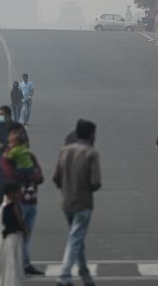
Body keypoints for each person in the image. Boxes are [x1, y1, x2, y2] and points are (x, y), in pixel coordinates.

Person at [53, 120, 101, 286]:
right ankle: (64, 274)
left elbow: (56, 178)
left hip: (67, 202)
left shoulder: (64, 151)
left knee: (77, 237)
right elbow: (95, 182)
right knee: (75, 238)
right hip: (83, 203)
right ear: (90, 134)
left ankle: (85, 274)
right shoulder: (90, 153)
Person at [0, 124, 45, 277]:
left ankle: (25, 264)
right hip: (18, 202)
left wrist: (30, 177)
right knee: (17, 235)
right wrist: (30, 177)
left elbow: (40, 177)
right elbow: (10, 175)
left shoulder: (29, 156)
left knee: (26, 235)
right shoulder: (8, 158)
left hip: (31, 200)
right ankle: (17, 265)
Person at [0, 181, 26, 286]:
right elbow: (20, 221)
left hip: (7, 238)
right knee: (13, 263)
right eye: (18, 192)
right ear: (10, 194)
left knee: (8, 263)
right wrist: (25, 231)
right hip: (14, 238)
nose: (20, 194)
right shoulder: (13, 205)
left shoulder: (4, 206)